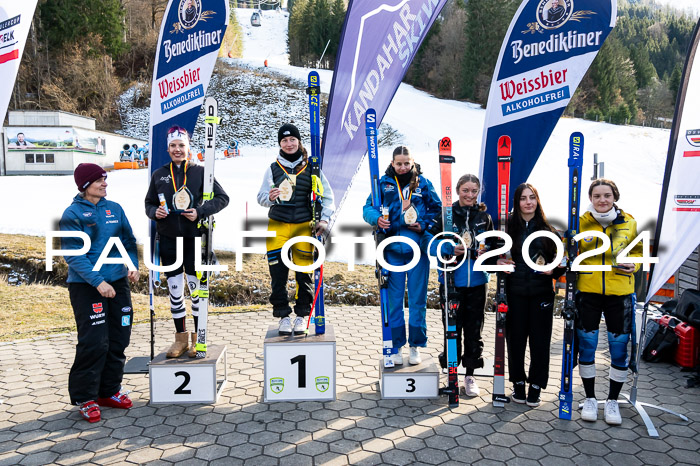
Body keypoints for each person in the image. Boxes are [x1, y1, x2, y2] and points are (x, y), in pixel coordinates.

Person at [60, 163, 139, 423]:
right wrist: (98, 282)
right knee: (95, 342)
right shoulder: (72, 214)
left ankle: (109, 391)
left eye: (105, 180)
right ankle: (86, 398)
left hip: (117, 282)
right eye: (99, 180)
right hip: (87, 287)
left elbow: (127, 240)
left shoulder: (114, 209)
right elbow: (73, 255)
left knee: (119, 337)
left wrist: (132, 265)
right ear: (85, 185)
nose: (105, 184)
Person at [145, 126, 229, 358]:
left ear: (188, 147)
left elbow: (223, 198)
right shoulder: (159, 174)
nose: (177, 149)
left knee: (195, 291)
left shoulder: (201, 172)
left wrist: (200, 211)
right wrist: (154, 213)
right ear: (168, 148)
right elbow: (149, 203)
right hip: (169, 240)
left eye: (181, 145)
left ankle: (197, 339)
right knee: (174, 291)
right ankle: (180, 339)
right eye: (173, 146)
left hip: (194, 241)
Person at [363, 145, 442, 365]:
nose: (403, 167)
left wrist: (424, 224)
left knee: (418, 300)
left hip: (417, 250)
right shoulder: (383, 184)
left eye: (407, 163)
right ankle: (396, 346)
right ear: (392, 164)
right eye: (399, 163)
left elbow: (437, 209)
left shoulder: (423, 184)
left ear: (413, 162)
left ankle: (415, 346)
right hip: (391, 251)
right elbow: (367, 207)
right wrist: (375, 218)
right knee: (394, 301)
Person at [257, 123, 335, 335]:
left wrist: (324, 220)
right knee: (278, 274)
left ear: (299, 142)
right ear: (280, 144)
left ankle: (301, 316)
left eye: (292, 140)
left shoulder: (312, 167)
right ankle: (283, 316)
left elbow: (327, 196)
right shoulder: (273, 168)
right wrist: (269, 198)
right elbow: (261, 197)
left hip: (303, 225)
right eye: (284, 140)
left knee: (303, 274)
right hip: (277, 225)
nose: (289, 144)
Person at [576, 178, 642, 425]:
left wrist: (635, 265)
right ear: (590, 199)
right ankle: (591, 398)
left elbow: (639, 253)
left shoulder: (630, 222)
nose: (602, 200)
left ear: (615, 197)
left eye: (607, 195)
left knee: (618, 349)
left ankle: (613, 401)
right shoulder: (580, 223)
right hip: (589, 292)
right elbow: (565, 248)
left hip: (619, 294)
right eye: (597, 196)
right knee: (587, 346)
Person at [496, 183, 564, 407]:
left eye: (532, 197)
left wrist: (554, 270)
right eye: (523, 198)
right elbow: (490, 259)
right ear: (517, 202)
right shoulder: (507, 229)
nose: (528, 202)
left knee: (540, 342)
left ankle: (536, 386)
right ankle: (518, 384)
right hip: (514, 294)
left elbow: (563, 262)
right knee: (515, 342)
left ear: (537, 200)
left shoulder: (548, 230)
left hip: (541, 294)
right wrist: (498, 262)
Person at [427, 174, 495, 396]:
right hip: (451, 280)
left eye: (474, 191)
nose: (469, 195)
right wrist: (447, 248)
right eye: (465, 190)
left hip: (477, 281)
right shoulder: (446, 215)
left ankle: (470, 375)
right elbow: (428, 240)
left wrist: (489, 253)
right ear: (457, 191)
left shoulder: (484, 216)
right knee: (452, 329)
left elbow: (494, 245)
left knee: (474, 329)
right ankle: (452, 373)